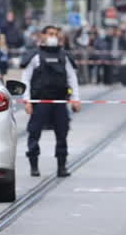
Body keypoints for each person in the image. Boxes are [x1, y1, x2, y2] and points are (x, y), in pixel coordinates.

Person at [22, 25, 81, 177]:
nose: (53, 36)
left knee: (62, 133)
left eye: (55, 34)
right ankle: (34, 165)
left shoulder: (64, 56)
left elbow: (71, 78)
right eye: (50, 34)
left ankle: (62, 166)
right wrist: (27, 100)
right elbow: (25, 79)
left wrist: (75, 99)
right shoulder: (35, 56)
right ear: (42, 36)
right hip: (40, 101)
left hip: (60, 101)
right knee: (34, 133)